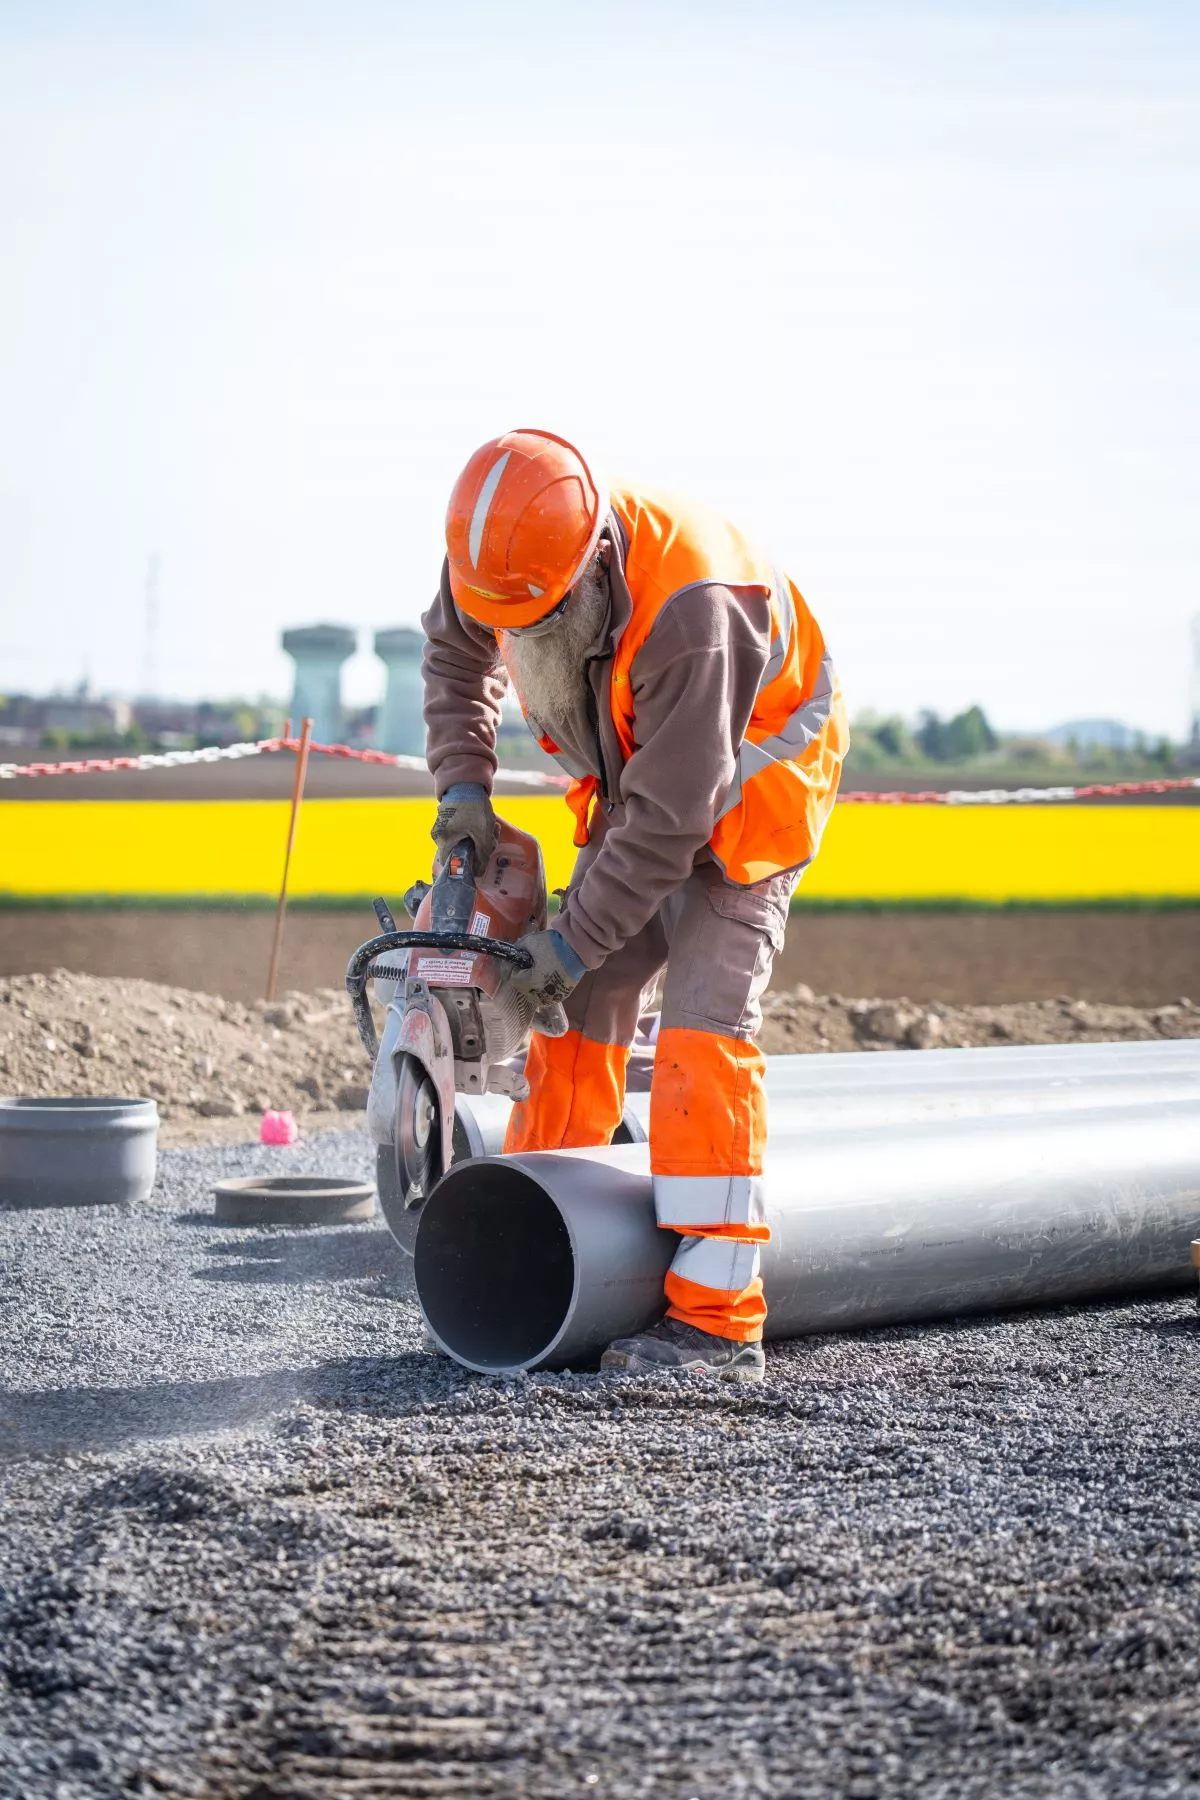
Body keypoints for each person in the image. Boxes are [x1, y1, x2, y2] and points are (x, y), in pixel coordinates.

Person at [421, 429, 847, 1381]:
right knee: (571, 1009)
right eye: (510, 627)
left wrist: (565, 944)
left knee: (702, 1025)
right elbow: (456, 661)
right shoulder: (498, 553)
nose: (518, 642)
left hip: (750, 773)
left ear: (591, 570)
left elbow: (671, 823)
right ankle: (541, 1234)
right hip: (646, 775)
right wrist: (462, 789)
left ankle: (716, 1322)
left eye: (536, 625)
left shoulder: (693, 607)